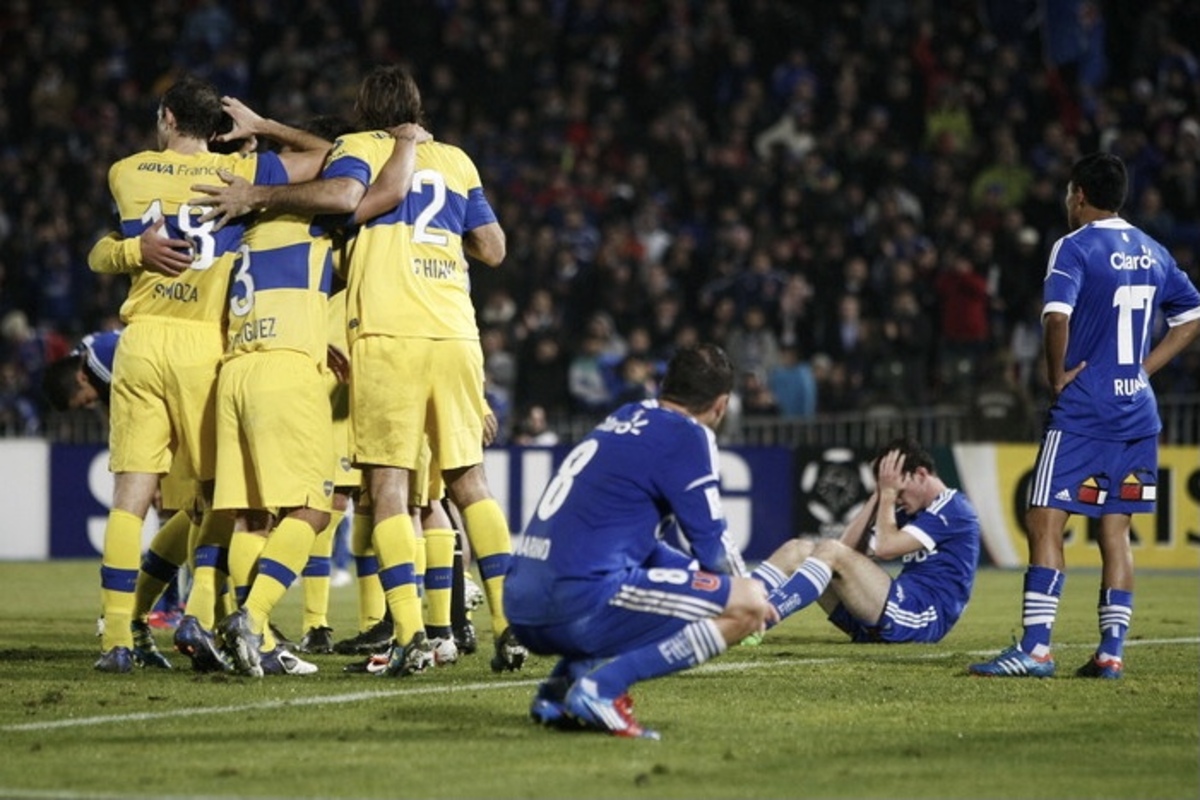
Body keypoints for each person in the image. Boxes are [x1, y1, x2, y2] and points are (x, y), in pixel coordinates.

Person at [193, 65, 525, 677]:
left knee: (389, 491)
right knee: (468, 483)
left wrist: (263, 177)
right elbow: (495, 248)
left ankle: (409, 635)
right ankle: (507, 626)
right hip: (456, 329)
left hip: (387, 333)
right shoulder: (457, 160)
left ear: (360, 110)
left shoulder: (358, 151)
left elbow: (342, 193)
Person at [86, 75, 332, 673]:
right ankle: (206, 614)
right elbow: (330, 157)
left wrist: (133, 253)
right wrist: (263, 128)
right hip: (204, 346)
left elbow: (101, 253)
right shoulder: (235, 181)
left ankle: (117, 640)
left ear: (166, 116)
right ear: (215, 128)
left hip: (138, 341)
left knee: (130, 500)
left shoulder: (125, 171)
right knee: (223, 500)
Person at [503, 343, 844, 739]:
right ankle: (601, 690)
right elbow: (713, 547)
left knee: (654, 581)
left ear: (664, 386)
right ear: (721, 405)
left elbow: (644, 548)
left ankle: (557, 692)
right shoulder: (689, 436)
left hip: (522, 602)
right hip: (574, 604)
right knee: (747, 606)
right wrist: (744, 590)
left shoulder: (626, 415)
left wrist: (692, 576)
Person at [211, 104, 428, 677]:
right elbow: (342, 171)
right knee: (313, 506)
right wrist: (401, 144)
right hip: (286, 367)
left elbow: (329, 157)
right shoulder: (309, 219)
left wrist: (261, 130)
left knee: (251, 518)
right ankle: (251, 620)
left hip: (236, 367)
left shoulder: (245, 224)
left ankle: (245, 633)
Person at [970, 153, 1200, 679]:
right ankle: (1112, 653)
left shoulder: (1073, 246)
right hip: (1138, 412)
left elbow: (1056, 318)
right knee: (1114, 531)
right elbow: (1191, 316)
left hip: (1085, 407)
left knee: (1044, 518)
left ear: (1078, 195)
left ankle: (1035, 649)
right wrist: (1144, 369)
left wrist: (1056, 377)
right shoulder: (1152, 249)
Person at [42, 331, 197, 670]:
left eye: (84, 399)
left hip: (166, 392)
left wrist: (147, 469)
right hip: (179, 376)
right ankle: (167, 610)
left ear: (81, 378)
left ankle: (134, 620)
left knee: (177, 508)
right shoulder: (92, 353)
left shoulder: (99, 361)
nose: (90, 403)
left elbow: (125, 403)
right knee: (196, 508)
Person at [781, 437, 980, 643]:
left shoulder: (954, 508)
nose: (897, 499)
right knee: (800, 550)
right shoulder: (911, 512)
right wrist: (877, 494)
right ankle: (753, 609)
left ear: (921, 474)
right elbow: (845, 550)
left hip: (920, 617)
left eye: (900, 490)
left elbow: (885, 549)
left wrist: (888, 494)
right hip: (890, 614)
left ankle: (764, 617)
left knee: (830, 551)